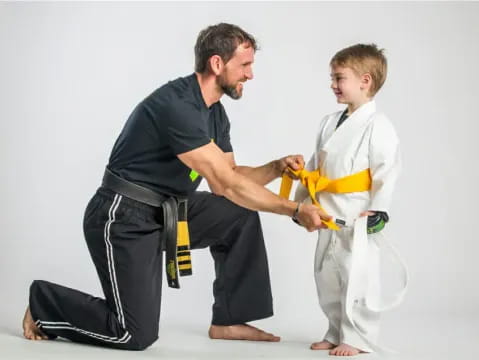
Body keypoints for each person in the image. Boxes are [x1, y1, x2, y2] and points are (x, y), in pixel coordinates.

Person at [22, 23, 330, 350]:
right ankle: (44, 303)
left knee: (238, 214)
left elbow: (228, 177)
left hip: (169, 209)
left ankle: (228, 319)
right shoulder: (178, 106)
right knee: (133, 334)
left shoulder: (215, 114)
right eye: (244, 65)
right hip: (123, 216)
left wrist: (275, 167)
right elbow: (226, 183)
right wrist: (294, 210)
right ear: (216, 64)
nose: (250, 75)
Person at [293, 44, 403, 356]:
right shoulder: (329, 122)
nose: (332, 84)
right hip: (326, 210)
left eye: (339, 78)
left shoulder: (378, 125)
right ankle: (334, 328)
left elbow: (387, 170)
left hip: (357, 214)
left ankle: (358, 336)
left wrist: (380, 209)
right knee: (326, 275)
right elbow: (315, 167)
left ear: (365, 81)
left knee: (358, 276)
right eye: (332, 78)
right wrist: (301, 205)